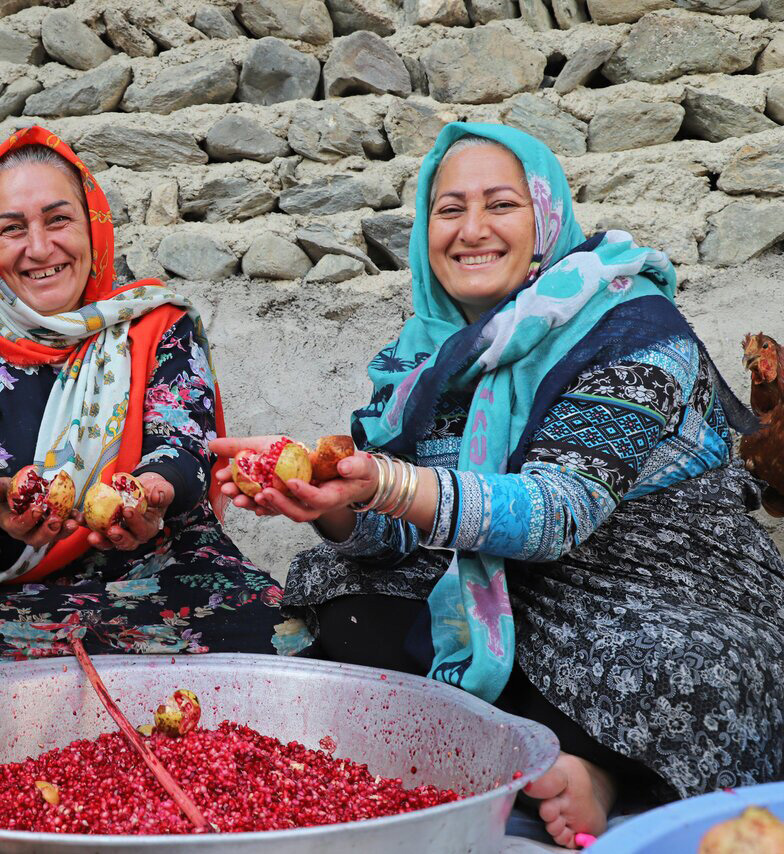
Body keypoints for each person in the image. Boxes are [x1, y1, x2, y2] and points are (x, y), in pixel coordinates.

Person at [212, 123, 784, 848]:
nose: (471, 230)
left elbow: (556, 511)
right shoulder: (428, 352)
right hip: (506, 585)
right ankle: (542, 753)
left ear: (545, 219)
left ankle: (603, 770)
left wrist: (384, 481)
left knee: (697, 674)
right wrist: (338, 504)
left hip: (654, 595)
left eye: (501, 205)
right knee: (344, 600)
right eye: (449, 210)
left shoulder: (634, 331)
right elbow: (400, 525)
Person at [0, 125, 312, 673]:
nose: (39, 247)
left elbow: (185, 442)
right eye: (13, 228)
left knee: (281, 645)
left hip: (173, 562)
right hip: (20, 572)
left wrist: (150, 496)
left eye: (58, 219)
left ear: (93, 224)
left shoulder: (155, 323)